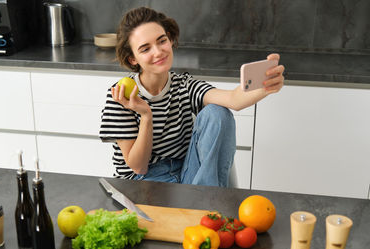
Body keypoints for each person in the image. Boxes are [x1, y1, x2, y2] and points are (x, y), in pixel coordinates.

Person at [99, 7, 284, 187]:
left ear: (170, 40)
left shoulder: (185, 86)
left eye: (162, 41)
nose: (158, 52)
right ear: (133, 59)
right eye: (145, 49)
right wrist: (146, 116)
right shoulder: (121, 96)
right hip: (144, 183)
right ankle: (205, 204)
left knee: (217, 113)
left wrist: (265, 86)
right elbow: (138, 167)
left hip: (187, 172)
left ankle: (203, 200)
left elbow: (233, 99)